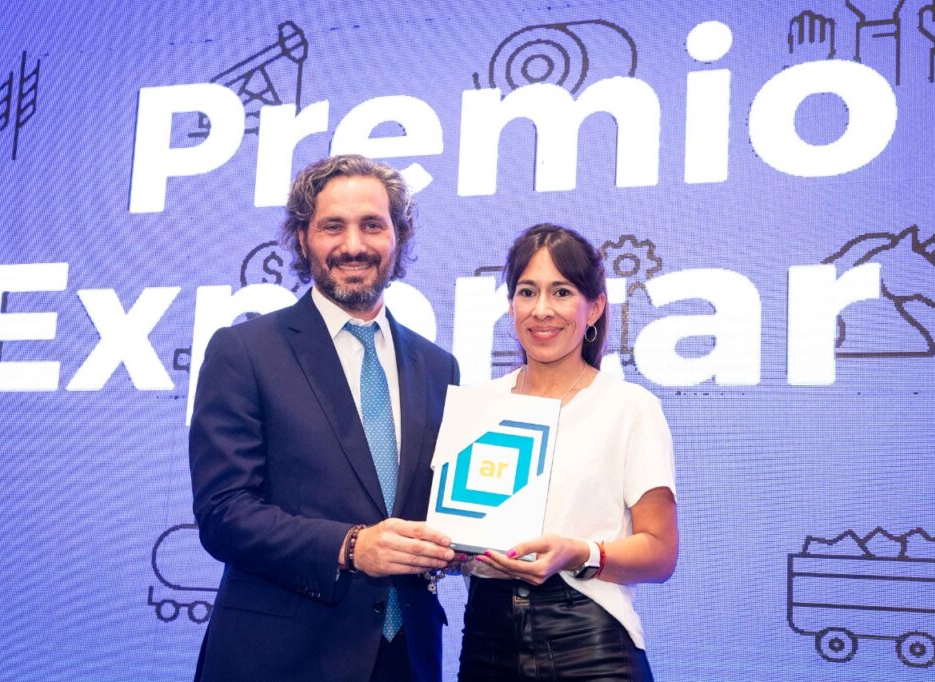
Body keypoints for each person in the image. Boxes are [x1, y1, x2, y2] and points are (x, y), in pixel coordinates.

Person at [189, 154, 460, 682]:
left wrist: (467, 544)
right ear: (301, 238)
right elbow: (224, 513)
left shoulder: (438, 367)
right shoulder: (244, 351)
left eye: (372, 225)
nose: (354, 245)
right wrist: (352, 546)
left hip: (407, 658)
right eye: (332, 226)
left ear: (399, 237)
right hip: (278, 660)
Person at [457, 224, 678, 681]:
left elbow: (660, 553)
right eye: (527, 292)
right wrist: (451, 548)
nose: (542, 310)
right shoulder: (476, 406)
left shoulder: (629, 407)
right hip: (486, 642)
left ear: (594, 307)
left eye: (561, 292)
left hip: (590, 642)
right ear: (511, 306)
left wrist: (579, 552)